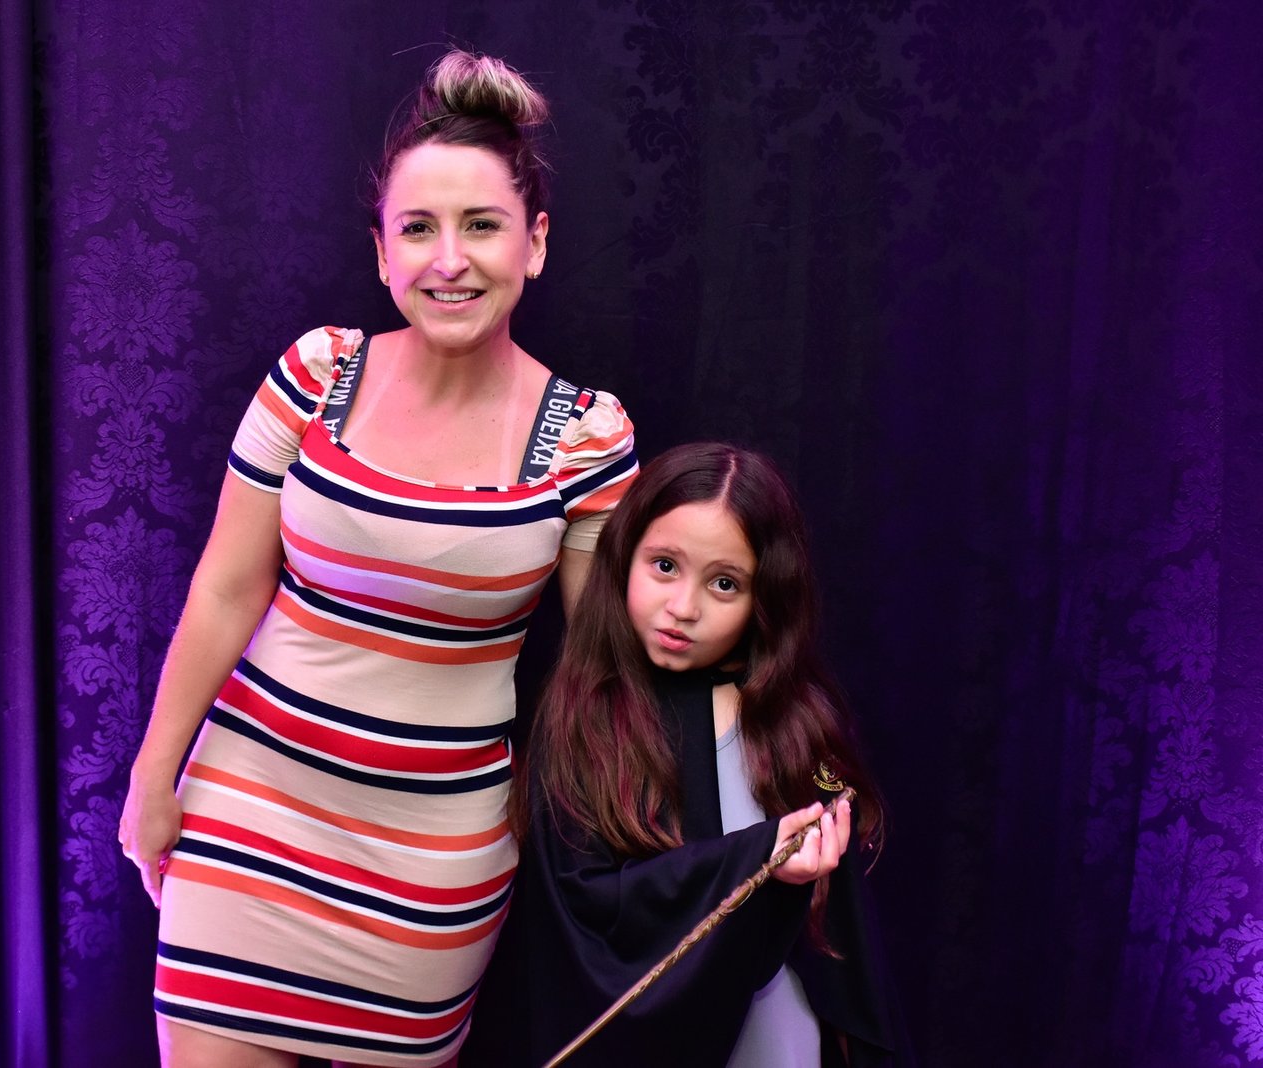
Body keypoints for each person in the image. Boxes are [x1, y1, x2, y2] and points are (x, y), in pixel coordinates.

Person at [116, 50, 638, 1068]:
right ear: (381, 253)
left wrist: (776, 774)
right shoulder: (314, 376)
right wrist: (152, 778)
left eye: (481, 225)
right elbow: (226, 587)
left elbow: (609, 671)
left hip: (431, 871)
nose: (449, 260)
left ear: (534, 243)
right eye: (418, 229)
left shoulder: (586, 438)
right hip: (246, 821)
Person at [463, 443, 913, 1067]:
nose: (683, 609)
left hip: (774, 1030)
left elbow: (842, 943)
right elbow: (584, 909)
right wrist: (758, 858)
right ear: (624, 556)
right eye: (665, 566)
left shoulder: (796, 722)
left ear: (765, 597)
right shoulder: (590, 718)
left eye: (724, 584)